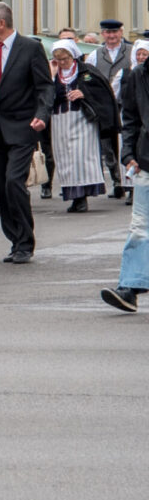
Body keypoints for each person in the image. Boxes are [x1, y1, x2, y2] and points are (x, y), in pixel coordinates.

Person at [0, 2, 56, 263]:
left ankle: (25, 241)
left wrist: (42, 115)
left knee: (13, 182)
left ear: (1, 23)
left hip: (23, 127)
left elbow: (45, 87)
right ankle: (14, 240)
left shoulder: (30, 48)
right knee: (2, 187)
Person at [103, 49, 149, 311]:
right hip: (146, 161)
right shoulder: (139, 74)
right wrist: (128, 152)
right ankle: (129, 288)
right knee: (140, 227)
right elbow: (130, 117)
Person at [48, 39, 115, 213]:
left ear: (73, 56)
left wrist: (83, 93)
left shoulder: (86, 71)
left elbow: (102, 92)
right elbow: (44, 95)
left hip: (82, 120)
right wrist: (52, 76)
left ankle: (82, 196)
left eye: (65, 59)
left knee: (81, 157)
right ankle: (73, 196)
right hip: (60, 120)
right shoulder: (53, 73)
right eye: (58, 59)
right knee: (65, 159)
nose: (62, 63)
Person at [87, 21, 130, 199]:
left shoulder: (131, 51)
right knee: (108, 145)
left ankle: (130, 184)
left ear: (121, 32)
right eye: (107, 33)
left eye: (115, 32)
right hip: (104, 107)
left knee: (126, 142)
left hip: (125, 104)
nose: (111, 36)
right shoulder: (95, 55)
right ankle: (117, 180)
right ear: (102, 34)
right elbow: (88, 78)